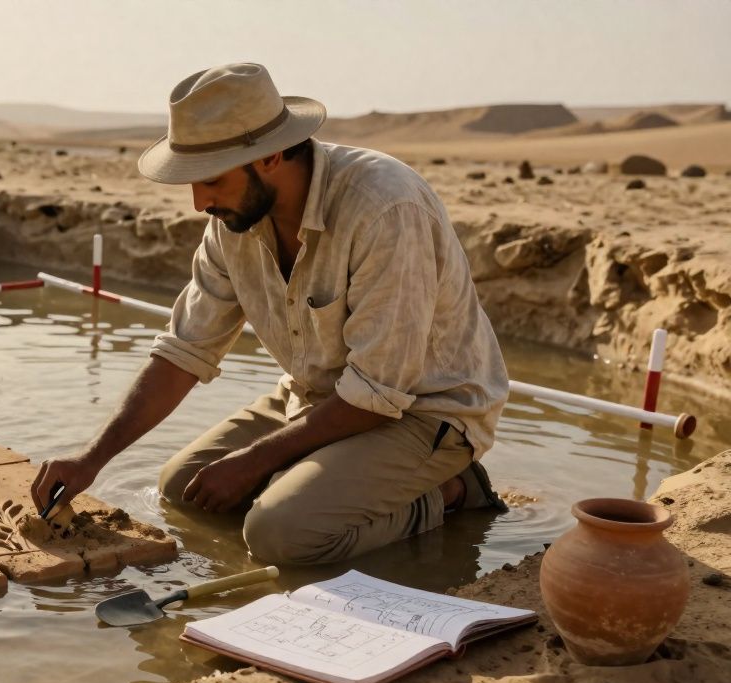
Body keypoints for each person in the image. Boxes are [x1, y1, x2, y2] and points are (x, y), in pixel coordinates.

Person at [29, 63, 509, 566]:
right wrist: (92, 458)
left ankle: (452, 492)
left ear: (271, 156)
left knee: (281, 535)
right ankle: (312, 476)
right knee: (182, 489)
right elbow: (183, 352)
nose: (199, 203)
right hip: (318, 398)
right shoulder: (232, 221)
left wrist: (256, 460)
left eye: (211, 180)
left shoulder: (385, 208)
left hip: (421, 411)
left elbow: (377, 391)